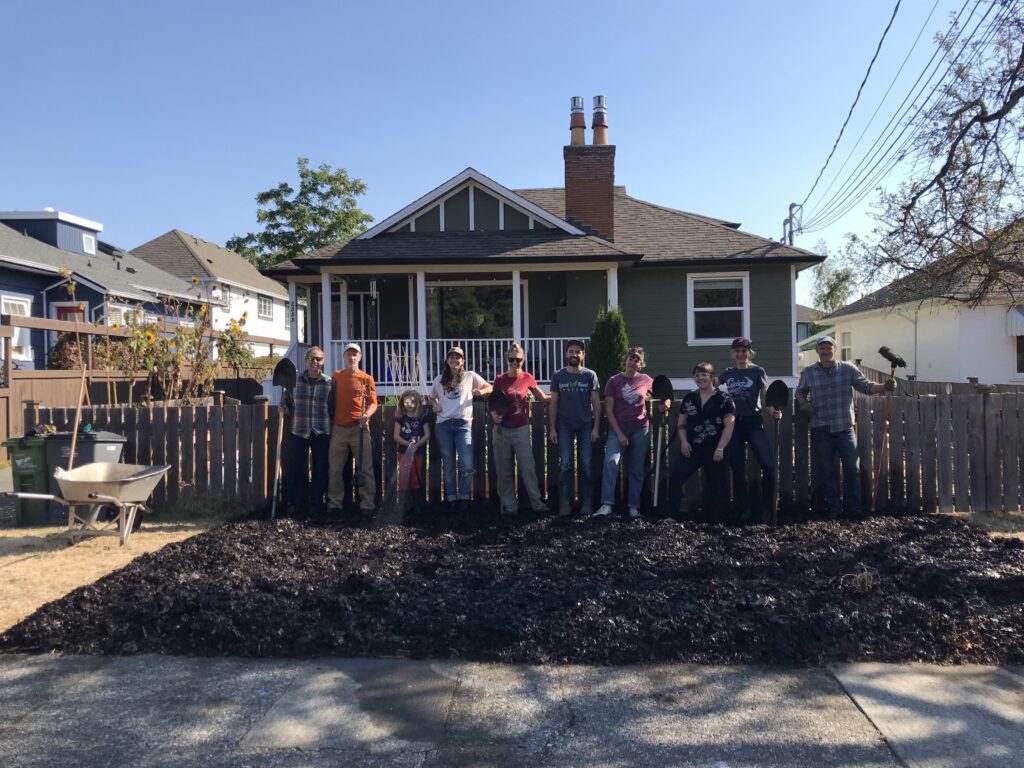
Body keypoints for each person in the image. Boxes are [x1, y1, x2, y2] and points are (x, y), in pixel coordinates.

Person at [795, 336, 896, 518]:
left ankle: (853, 507)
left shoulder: (848, 369)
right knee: (826, 471)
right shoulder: (808, 372)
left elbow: (865, 386)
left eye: (829, 348)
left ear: (835, 349)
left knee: (852, 468)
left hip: (844, 428)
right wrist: (803, 403)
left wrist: (884, 387)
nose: (825, 351)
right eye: (822, 348)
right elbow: (800, 391)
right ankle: (833, 507)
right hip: (821, 427)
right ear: (817, 351)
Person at [594, 347, 669, 519]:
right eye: (631, 358)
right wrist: (619, 434)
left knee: (636, 469)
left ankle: (633, 507)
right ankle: (607, 504)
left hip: (640, 430)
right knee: (611, 463)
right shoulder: (614, 381)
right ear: (625, 360)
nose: (633, 361)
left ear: (641, 364)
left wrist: (667, 403)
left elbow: (664, 395)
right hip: (618, 429)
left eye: (637, 359)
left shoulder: (646, 380)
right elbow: (609, 410)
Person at [718, 337, 781, 522]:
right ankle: (742, 508)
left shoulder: (757, 371)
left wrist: (773, 412)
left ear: (749, 353)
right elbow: (711, 387)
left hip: (753, 422)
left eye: (744, 351)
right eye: (737, 351)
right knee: (737, 469)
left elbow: (766, 395)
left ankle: (766, 507)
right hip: (734, 425)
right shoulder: (727, 373)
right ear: (732, 354)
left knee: (768, 466)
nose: (740, 354)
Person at [668, 363, 736, 522]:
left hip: (715, 448)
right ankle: (673, 516)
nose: (700, 378)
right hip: (693, 447)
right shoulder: (689, 398)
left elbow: (729, 425)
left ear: (712, 377)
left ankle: (717, 520)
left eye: (704, 375)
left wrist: (720, 448)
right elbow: (682, 423)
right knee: (675, 477)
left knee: (717, 484)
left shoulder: (724, 399)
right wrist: (684, 442)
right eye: (697, 375)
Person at [491, 342, 550, 516]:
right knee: (504, 470)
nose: (515, 363)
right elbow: (494, 402)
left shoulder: (527, 378)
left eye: (518, 360)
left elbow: (541, 396)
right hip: (502, 430)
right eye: (511, 360)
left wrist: (559, 397)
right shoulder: (500, 379)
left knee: (528, 467)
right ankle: (510, 506)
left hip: (521, 429)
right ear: (507, 360)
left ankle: (537, 504)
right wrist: (494, 415)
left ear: (523, 360)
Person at [430, 346, 492, 511]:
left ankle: (464, 496)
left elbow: (489, 387)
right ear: (447, 361)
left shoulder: (470, 376)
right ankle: (451, 498)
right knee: (449, 464)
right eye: (451, 357)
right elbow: (432, 397)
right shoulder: (439, 379)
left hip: (463, 425)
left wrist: (480, 391)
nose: (454, 360)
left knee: (466, 463)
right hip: (443, 425)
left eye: (458, 357)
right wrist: (435, 404)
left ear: (463, 361)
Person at [279, 346, 334, 519]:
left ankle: (316, 504)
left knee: (320, 469)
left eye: (318, 359)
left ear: (322, 362)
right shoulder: (294, 381)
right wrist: (283, 407)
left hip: (321, 431)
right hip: (299, 430)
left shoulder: (329, 383)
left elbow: (333, 407)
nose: (314, 362)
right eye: (311, 358)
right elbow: (285, 401)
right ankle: (297, 503)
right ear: (305, 361)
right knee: (296, 468)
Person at [549, 339, 601, 516]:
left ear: (583, 355)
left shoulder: (590, 375)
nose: (574, 354)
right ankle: (565, 504)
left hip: (586, 425)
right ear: (566, 354)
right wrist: (552, 429)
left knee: (586, 464)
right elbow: (554, 402)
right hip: (564, 425)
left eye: (578, 352)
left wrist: (596, 427)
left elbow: (595, 401)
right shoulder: (558, 376)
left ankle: (587, 503)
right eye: (571, 351)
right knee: (565, 464)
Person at [327, 342, 378, 517]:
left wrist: (367, 414)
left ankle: (367, 504)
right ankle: (334, 503)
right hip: (339, 428)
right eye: (349, 354)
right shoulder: (336, 376)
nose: (352, 357)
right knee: (335, 469)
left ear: (360, 357)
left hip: (360, 428)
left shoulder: (366, 378)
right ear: (344, 357)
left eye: (355, 354)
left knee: (366, 468)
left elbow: (373, 403)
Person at [392, 389, 430, 514]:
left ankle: (416, 504)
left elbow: (427, 434)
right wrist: (408, 444)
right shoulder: (400, 418)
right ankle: (403, 505)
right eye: (406, 401)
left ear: (417, 403)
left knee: (415, 476)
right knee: (403, 477)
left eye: (412, 402)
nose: (409, 404)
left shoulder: (421, 418)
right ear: (403, 402)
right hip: (403, 452)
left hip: (417, 452)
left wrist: (417, 444)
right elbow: (396, 436)